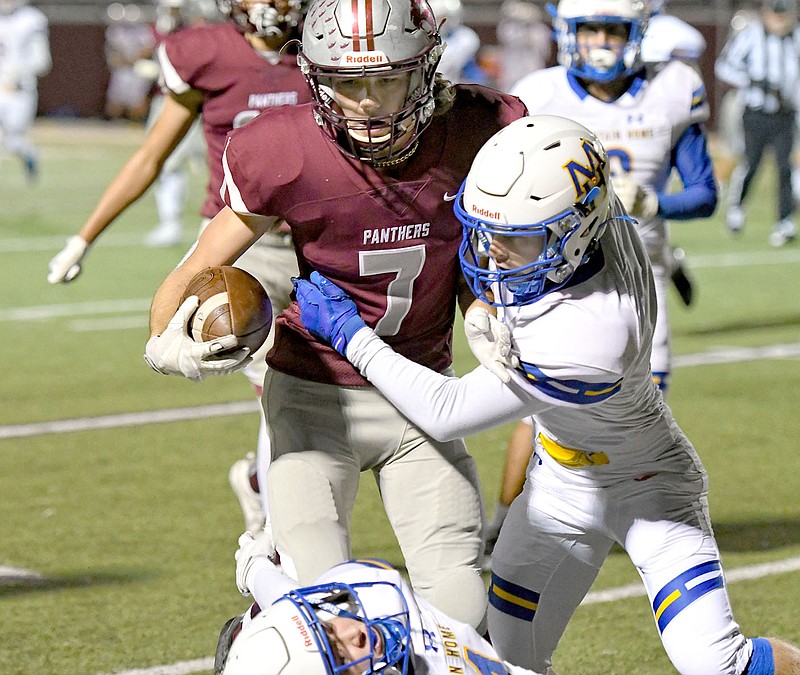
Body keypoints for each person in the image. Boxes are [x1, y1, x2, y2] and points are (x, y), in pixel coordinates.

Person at [292, 114, 800, 675]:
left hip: (648, 490)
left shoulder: (593, 333)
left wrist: (351, 336)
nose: (493, 252)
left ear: (575, 231)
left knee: (716, 665)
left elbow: (446, 411)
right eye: (488, 231)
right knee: (507, 661)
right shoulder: (599, 228)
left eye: (514, 237)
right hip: (557, 485)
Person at [143, 0, 528, 629]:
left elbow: (480, 249)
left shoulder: (479, 129)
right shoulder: (284, 148)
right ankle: (262, 605)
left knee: (462, 607)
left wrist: (482, 307)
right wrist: (169, 340)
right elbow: (190, 272)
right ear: (316, 79)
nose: (369, 101)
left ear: (427, 70)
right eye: (348, 83)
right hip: (314, 400)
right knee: (324, 607)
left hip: (421, 398)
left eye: (387, 78)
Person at [47, 0, 311, 545]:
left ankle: (260, 482)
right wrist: (84, 236)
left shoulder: (323, 47)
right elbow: (150, 157)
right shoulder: (204, 53)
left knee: (338, 388)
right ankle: (284, 538)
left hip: (321, 236)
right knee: (281, 391)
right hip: (245, 244)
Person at [480, 0, 718, 565]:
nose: (601, 42)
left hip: (638, 282)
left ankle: (606, 512)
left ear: (638, 33)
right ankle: (507, 519)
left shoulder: (672, 87)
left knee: (632, 410)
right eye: (590, 29)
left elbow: (704, 192)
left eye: (613, 28)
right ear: (568, 33)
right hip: (553, 275)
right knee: (545, 403)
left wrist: (655, 201)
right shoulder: (539, 94)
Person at [214, 533, 545, 674]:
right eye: (339, 655)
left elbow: (295, 600)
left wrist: (256, 567)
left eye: (329, 627)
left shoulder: (375, 596)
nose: (353, 635)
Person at [715, 0, 800, 247]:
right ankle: (736, 209)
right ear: (765, 13)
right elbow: (724, 67)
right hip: (756, 112)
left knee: (786, 168)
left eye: (783, 14)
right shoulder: (751, 36)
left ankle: (785, 221)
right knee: (751, 162)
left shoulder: (796, 38)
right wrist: (752, 81)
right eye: (775, 14)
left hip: (785, 114)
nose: (779, 19)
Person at [0, 0, 51, 183]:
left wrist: (17, 72)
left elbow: (42, 61)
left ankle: (30, 155)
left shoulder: (32, 19)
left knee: (13, 143)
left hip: (19, 91)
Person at [104, 3, 158, 124]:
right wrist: (123, 59)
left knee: (137, 99)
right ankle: (114, 122)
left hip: (137, 68)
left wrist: (134, 58)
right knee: (115, 98)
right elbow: (113, 50)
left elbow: (149, 47)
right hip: (122, 68)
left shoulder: (143, 30)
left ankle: (136, 122)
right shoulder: (115, 30)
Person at [428, 0, 487, 85]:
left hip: (453, 89)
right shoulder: (426, 40)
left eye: (443, 17)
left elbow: (470, 69)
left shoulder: (465, 38)